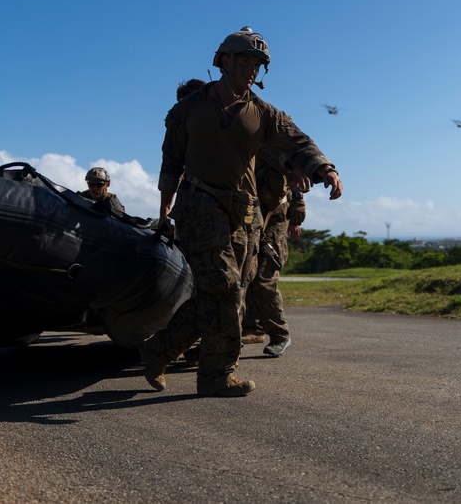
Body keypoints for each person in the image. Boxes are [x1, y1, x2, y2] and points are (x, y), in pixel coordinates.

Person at [139, 27, 343, 397]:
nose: (251, 70)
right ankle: (217, 375)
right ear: (224, 61)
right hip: (200, 206)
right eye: (245, 62)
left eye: (258, 65)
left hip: (246, 214)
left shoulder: (263, 113)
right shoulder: (187, 109)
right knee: (225, 287)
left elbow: (298, 142)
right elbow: (171, 162)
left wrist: (325, 169)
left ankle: (158, 350)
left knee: (225, 293)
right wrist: (164, 209)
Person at [241, 146, 308, 357]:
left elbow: (295, 172)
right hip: (248, 213)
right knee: (244, 275)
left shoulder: (275, 137)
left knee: (264, 277)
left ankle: (280, 335)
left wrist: (297, 204)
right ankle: (251, 328)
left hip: (275, 216)